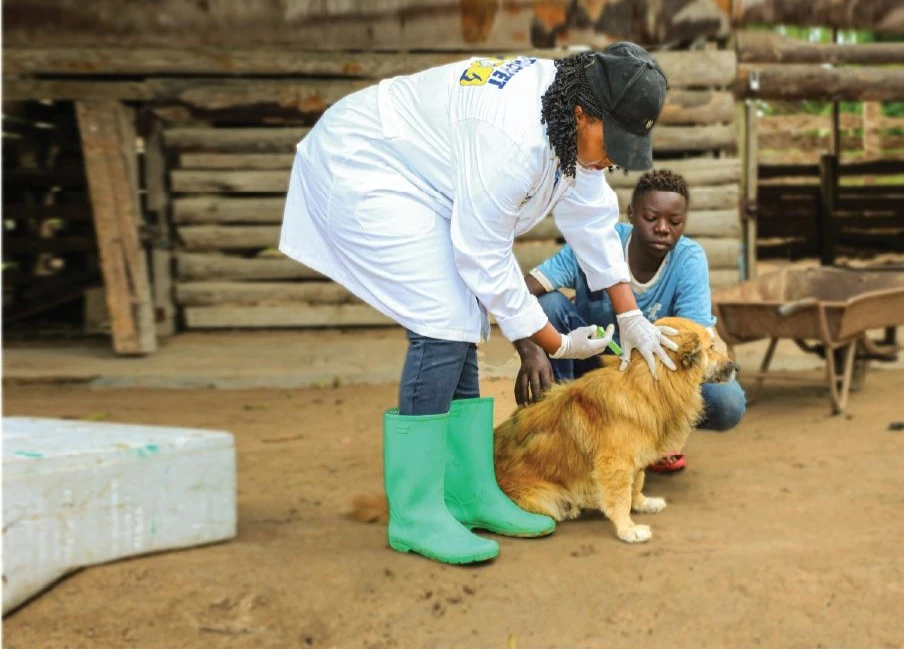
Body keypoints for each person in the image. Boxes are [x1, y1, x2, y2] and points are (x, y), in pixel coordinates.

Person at [279, 43, 680, 565]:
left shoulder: (568, 119)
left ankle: (469, 491)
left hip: (426, 177)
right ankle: (417, 513)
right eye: (614, 143)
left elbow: (593, 221)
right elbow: (485, 255)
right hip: (366, 165)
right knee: (442, 318)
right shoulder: (513, 137)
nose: (613, 159)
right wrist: (552, 342)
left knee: (463, 315)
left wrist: (629, 316)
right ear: (584, 112)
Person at [516, 169, 748, 472]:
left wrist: (660, 422)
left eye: (675, 222)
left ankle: (648, 438)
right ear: (631, 214)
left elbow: (693, 346)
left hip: (653, 373)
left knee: (728, 402)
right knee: (550, 304)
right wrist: (530, 351)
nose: (663, 228)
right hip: (589, 365)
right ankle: (563, 435)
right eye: (651, 218)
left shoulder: (689, 259)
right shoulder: (596, 243)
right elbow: (520, 293)